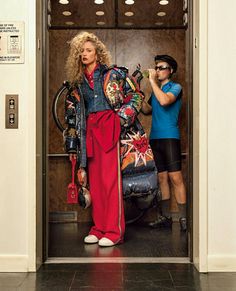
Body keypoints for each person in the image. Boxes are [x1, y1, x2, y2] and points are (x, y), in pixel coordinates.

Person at [64, 32, 145, 247]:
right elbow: (71, 114)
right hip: (89, 130)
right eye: (81, 50)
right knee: (96, 183)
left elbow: (137, 95)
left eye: (88, 50)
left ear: (97, 53)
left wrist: (120, 119)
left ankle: (113, 231)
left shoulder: (114, 74)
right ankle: (98, 229)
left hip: (110, 126)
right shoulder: (77, 82)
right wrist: (72, 143)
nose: (84, 53)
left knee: (110, 183)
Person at [142, 55, 187, 231]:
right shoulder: (156, 91)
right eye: (156, 67)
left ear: (171, 70)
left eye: (161, 67)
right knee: (162, 178)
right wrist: (136, 95)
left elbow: (165, 101)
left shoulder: (175, 87)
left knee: (175, 177)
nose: (158, 70)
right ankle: (165, 218)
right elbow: (147, 110)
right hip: (155, 138)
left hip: (170, 137)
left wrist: (152, 81)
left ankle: (183, 218)